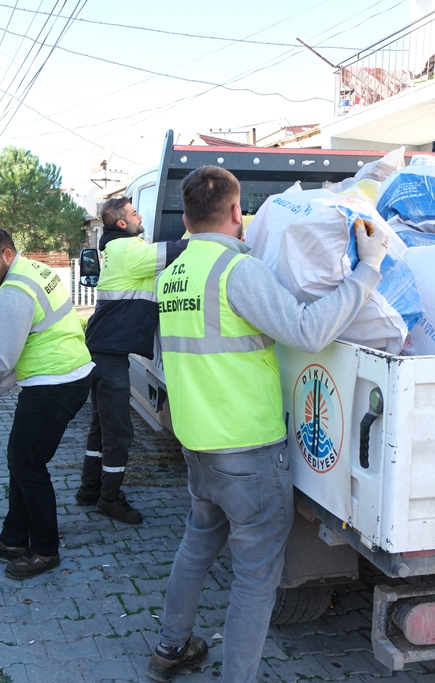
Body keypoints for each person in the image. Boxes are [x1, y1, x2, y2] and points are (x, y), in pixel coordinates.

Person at [147, 166, 389, 682]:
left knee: (197, 545)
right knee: (256, 579)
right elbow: (308, 330)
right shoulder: (238, 272)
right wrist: (368, 270)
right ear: (238, 212)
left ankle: (170, 646)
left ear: (186, 219)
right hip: (248, 452)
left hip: (198, 447)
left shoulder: (172, 277)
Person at [0, 225, 94, 580]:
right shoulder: (35, 270)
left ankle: (44, 549)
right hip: (65, 376)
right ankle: (14, 537)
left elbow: (2, 358)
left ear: (7, 254)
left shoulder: (15, 290)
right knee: (20, 459)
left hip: (54, 384)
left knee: (28, 465)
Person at [76, 197, 187, 524]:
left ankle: (88, 489)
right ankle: (109, 498)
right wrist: (206, 235)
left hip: (102, 351)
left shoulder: (115, 249)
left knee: (101, 427)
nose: (140, 216)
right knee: (120, 432)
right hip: (109, 357)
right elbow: (174, 250)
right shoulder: (129, 249)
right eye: (134, 213)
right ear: (122, 223)